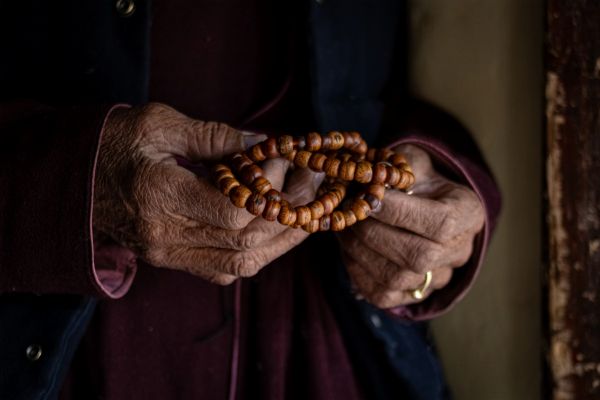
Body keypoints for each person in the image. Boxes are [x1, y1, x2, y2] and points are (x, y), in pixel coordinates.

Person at [0, 0, 501, 399]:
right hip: (73, 340)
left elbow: (384, 84)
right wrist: (72, 181)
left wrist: (437, 197)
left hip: (326, 332)